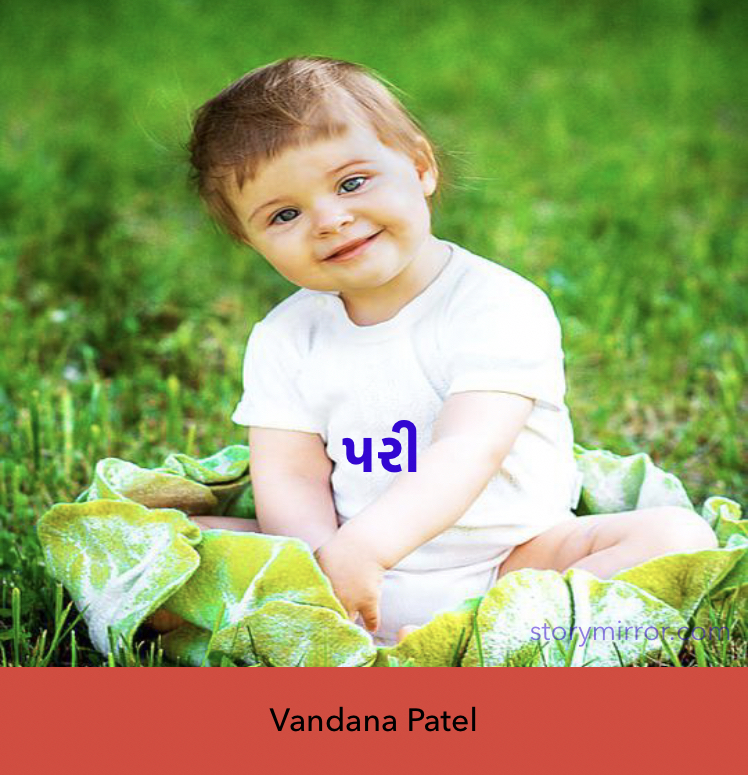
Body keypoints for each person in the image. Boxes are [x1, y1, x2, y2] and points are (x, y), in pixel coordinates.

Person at [181, 56, 716, 647]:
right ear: (251, 241)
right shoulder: (285, 336)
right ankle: (381, 637)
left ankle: (495, 633)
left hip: (514, 561)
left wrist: (370, 547)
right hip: (346, 560)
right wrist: (322, 575)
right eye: (285, 214)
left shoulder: (496, 304)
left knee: (676, 538)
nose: (330, 220)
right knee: (170, 544)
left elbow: (469, 447)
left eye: (352, 183)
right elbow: (290, 475)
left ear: (420, 168)